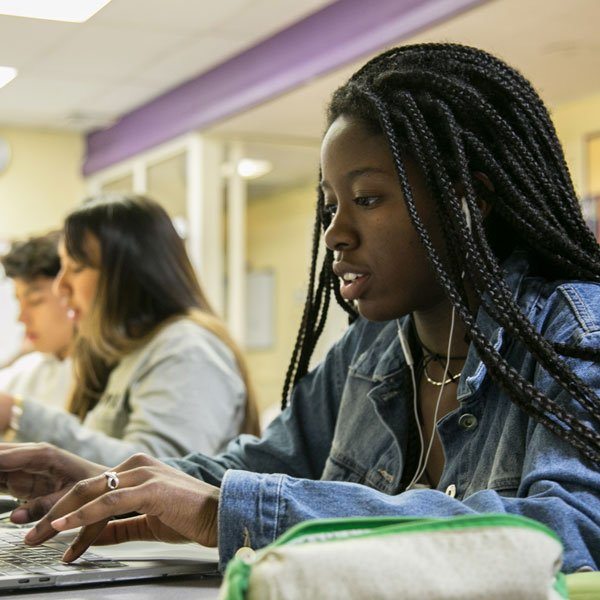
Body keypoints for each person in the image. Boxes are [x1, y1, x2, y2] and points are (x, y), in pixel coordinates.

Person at [0, 43, 598, 575]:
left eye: (367, 198)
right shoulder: (372, 344)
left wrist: (222, 512)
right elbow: (261, 462)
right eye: (331, 204)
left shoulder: (575, 331)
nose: (335, 233)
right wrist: (108, 481)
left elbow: (565, 531)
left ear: (473, 198)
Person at [0, 194, 259, 464]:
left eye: (76, 268)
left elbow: (161, 476)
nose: (60, 287)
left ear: (128, 274)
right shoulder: (123, 354)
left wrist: (18, 415)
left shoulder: (187, 349)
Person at [0, 232, 74, 411]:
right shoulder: (26, 372)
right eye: (19, 302)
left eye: (35, 301)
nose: (21, 318)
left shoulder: (107, 376)